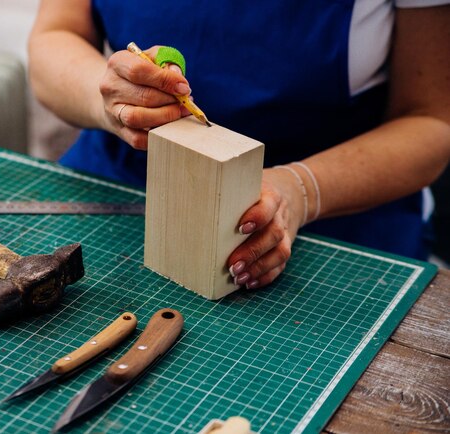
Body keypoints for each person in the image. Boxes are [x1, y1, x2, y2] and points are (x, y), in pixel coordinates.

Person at [27, 1, 450, 290]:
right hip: (120, 188)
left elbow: (431, 121)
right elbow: (55, 36)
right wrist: (114, 104)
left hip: (340, 226)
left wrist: (300, 190)